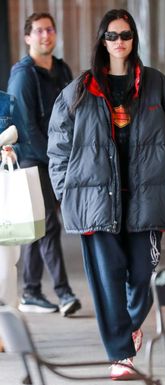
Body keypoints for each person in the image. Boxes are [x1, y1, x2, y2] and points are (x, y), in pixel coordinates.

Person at [47, 8, 165, 379]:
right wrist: (68, 193)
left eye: (125, 35)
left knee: (142, 274)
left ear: (134, 40)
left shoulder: (157, 85)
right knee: (106, 277)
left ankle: (128, 326)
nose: (118, 42)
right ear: (102, 40)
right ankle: (120, 354)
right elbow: (58, 147)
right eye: (111, 36)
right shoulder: (80, 88)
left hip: (146, 201)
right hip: (96, 202)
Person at [7, 12, 81, 317]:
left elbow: (75, 112)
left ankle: (32, 291)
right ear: (28, 37)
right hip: (33, 158)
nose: (45, 35)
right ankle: (64, 293)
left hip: (58, 158)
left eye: (49, 30)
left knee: (39, 228)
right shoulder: (23, 75)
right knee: (49, 226)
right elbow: (25, 127)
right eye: (38, 31)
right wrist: (57, 160)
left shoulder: (62, 69)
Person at [0, 90, 30, 309]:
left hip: (4, 193)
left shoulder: (7, 102)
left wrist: (13, 152)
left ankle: (5, 331)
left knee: (5, 266)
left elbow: (25, 141)